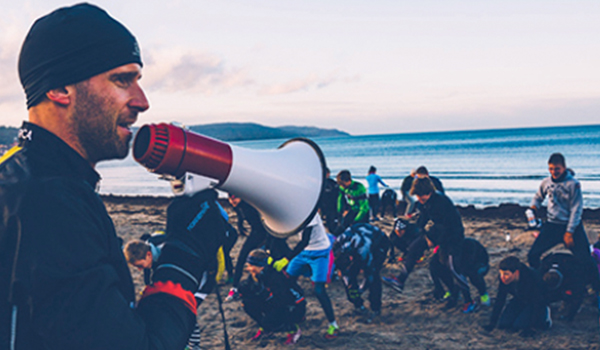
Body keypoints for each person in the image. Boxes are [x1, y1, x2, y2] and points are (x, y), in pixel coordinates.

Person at [0, 4, 224, 349]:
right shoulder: (50, 203)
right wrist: (185, 255)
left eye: (139, 80)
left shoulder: (19, 177)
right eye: (122, 80)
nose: (142, 101)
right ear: (60, 88)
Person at [527, 153, 600, 294]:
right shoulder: (546, 182)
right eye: (551, 169)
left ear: (564, 167)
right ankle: (543, 281)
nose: (554, 172)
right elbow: (538, 197)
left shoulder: (573, 184)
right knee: (533, 255)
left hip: (572, 226)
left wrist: (569, 232)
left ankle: (595, 289)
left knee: (586, 260)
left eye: (557, 169)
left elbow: (576, 210)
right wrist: (533, 208)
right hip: (552, 225)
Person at [383, 177, 463, 295]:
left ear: (430, 192)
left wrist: (436, 243)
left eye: (422, 196)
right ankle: (400, 280)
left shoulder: (441, 202)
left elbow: (450, 225)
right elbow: (421, 222)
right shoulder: (424, 203)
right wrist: (413, 232)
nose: (419, 199)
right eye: (417, 196)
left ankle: (460, 295)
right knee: (414, 248)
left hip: (452, 235)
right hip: (438, 230)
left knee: (445, 266)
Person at [274, 213, 339, 339]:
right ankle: (299, 311)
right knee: (288, 281)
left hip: (320, 252)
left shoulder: (311, 213)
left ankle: (333, 325)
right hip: (304, 252)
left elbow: (304, 240)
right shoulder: (294, 210)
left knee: (319, 291)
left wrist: (286, 259)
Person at [226, 195, 290, 301]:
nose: (232, 201)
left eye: (235, 198)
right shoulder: (237, 206)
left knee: (282, 255)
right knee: (241, 258)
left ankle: (286, 282)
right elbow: (240, 216)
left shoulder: (251, 205)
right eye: (230, 198)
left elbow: (266, 219)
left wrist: (269, 244)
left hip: (270, 232)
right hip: (256, 232)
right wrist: (240, 226)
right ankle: (235, 288)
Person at [238, 249, 305, 345]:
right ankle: (266, 329)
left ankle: (293, 330)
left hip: (293, 306)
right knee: (247, 304)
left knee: (270, 319)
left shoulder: (274, 276)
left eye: (251, 266)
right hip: (275, 302)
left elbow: (283, 299)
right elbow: (247, 287)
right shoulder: (255, 275)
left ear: (261, 267)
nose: (249, 268)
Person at [333, 223, 390, 323]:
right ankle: (358, 305)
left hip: (379, 242)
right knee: (349, 280)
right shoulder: (336, 246)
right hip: (358, 238)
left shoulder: (363, 249)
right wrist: (351, 289)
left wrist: (361, 289)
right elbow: (344, 274)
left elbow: (369, 274)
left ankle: (375, 307)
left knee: (373, 275)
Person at [483, 256, 551, 337]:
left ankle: (545, 315)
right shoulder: (504, 279)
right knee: (504, 324)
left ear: (516, 273)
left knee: (520, 325)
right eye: (501, 273)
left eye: (506, 274)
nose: (502, 277)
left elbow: (537, 302)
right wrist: (492, 323)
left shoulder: (531, 278)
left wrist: (531, 327)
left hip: (537, 302)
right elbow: (500, 298)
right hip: (519, 299)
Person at [428, 237, 490, 313]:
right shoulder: (442, 250)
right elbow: (433, 266)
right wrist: (438, 287)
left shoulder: (467, 247)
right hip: (458, 266)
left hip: (477, 264)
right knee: (440, 269)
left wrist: (465, 298)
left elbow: (461, 272)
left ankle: (483, 293)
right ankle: (451, 289)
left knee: (473, 275)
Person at [539, 252, 587, 322]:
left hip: (573, 276)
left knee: (574, 295)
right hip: (558, 265)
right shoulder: (543, 267)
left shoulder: (575, 275)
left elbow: (579, 295)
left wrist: (570, 316)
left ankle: (566, 305)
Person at [335, 170, 369, 235]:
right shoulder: (342, 187)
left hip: (362, 212)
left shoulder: (359, 188)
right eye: (340, 184)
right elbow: (340, 199)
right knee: (340, 229)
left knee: (359, 232)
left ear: (349, 180)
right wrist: (339, 212)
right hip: (352, 209)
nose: (342, 186)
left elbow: (364, 208)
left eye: (343, 184)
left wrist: (356, 221)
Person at [319, 167, 341, 233]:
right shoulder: (323, 183)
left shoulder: (332, 183)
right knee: (328, 224)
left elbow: (339, 196)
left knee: (329, 225)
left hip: (330, 207)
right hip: (327, 207)